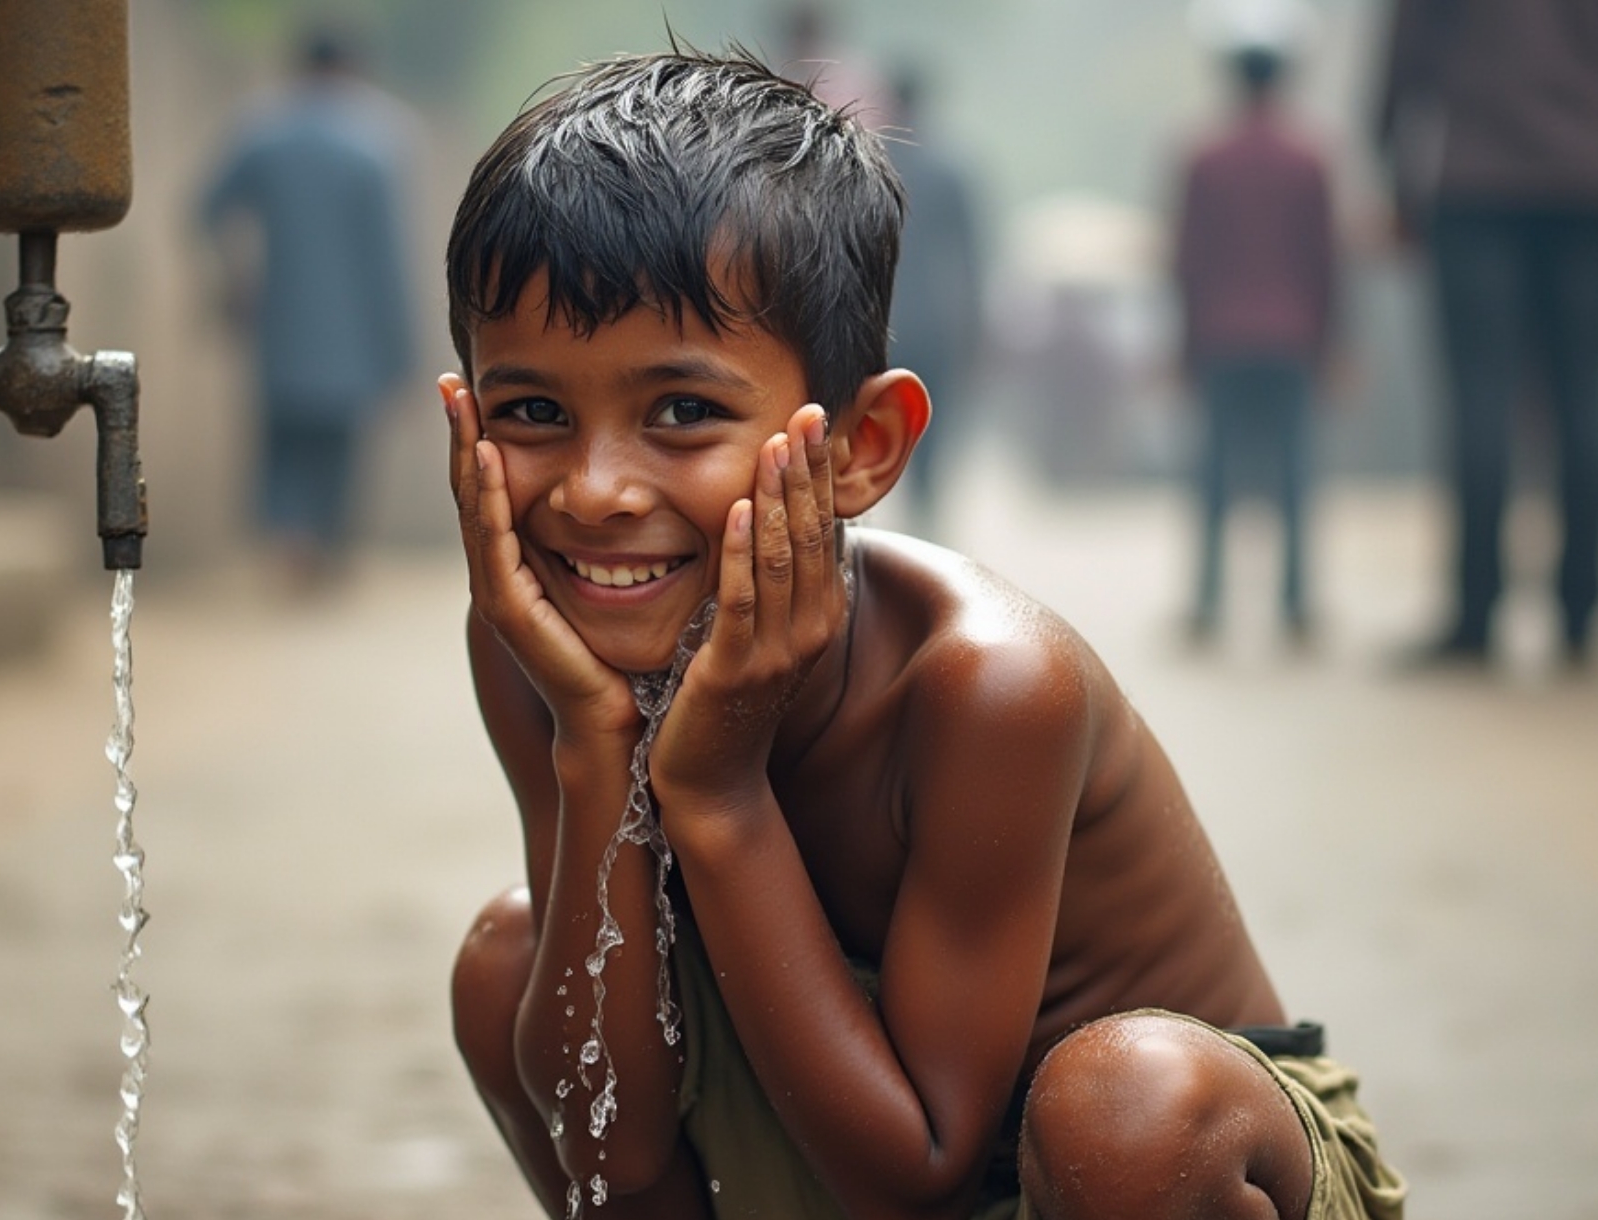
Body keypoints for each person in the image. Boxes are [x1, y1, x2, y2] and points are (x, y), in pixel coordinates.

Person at [442, 49, 1405, 1219]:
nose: (594, 491)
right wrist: (595, 745)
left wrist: (716, 789)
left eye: (682, 411)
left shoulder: (985, 684)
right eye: (532, 411)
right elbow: (607, 1144)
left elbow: (919, 1169)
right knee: (509, 963)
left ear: (863, 447)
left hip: (1128, 1172)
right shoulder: (540, 650)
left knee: (1126, 1108)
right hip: (825, 1116)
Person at [1375, 0, 1598, 668]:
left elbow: (1405, 55)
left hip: (1477, 181)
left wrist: (1395, 171)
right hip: (1584, 181)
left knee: (1480, 401)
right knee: (1585, 404)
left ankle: (1475, 614)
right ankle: (1577, 612)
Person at [199, 28, 418, 589]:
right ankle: (320, 548)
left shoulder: (263, 134)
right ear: (350, 70)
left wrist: (235, 275)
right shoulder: (374, 145)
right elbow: (387, 260)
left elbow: (207, 208)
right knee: (337, 448)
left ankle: (288, 541)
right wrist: (401, 350)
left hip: (282, 326)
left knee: (282, 441)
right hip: (353, 335)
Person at [1171, 40, 1337, 645]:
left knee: (1214, 472)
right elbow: (1325, 260)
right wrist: (1334, 343)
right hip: (1292, 337)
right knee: (1294, 472)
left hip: (1222, 335)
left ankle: (1207, 602)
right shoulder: (1310, 158)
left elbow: (1188, 259)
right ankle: (1295, 604)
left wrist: (1184, 345)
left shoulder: (1205, 158)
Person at [884, 65, 989, 537]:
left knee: (876, 418)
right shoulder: (950, 169)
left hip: (879, 319)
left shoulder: (870, 164)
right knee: (929, 423)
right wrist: (974, 327)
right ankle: (923, 520)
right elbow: (969, 258)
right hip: (937, 322)